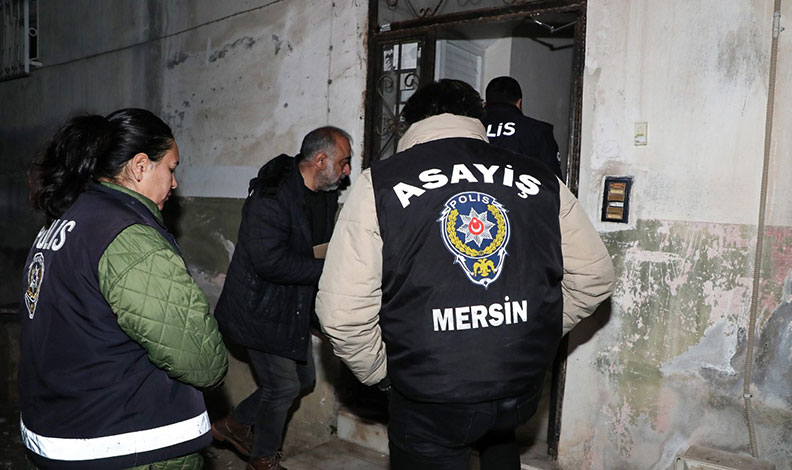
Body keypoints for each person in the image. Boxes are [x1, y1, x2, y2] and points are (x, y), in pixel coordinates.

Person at [315, 79, 615, 470]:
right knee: (499, 440)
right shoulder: (541, 178)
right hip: (517, 390)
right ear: (478, 117)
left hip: (431, 398)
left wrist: (382, 374)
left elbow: (342, 315)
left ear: (411, 123)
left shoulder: (380, 183)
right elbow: (595, 277)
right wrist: (534, 332)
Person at [18, 108, 229, 470]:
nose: (174, 184)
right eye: (171, 169)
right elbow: (202, 361)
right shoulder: (129, 237)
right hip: (125, 444)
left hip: (59, 434)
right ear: (140, 166)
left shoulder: (63, 220)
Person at [211, 126, 352, 470]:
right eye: (344, 162)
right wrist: (332, 269)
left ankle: (233, 424)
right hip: (259, 308)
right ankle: (262, 459)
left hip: (293, 306)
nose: (347, 170)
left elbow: (315, 250)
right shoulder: (272, 196)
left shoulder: (324, 195)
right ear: (321, 160)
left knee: (303, 381)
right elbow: (270, 262)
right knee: (283, 386)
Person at [480, 76, 563, 179]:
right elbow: (554, 180)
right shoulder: (538, 131)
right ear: (519, 103)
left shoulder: (472, 127)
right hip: (520, 188)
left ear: (485, 104)